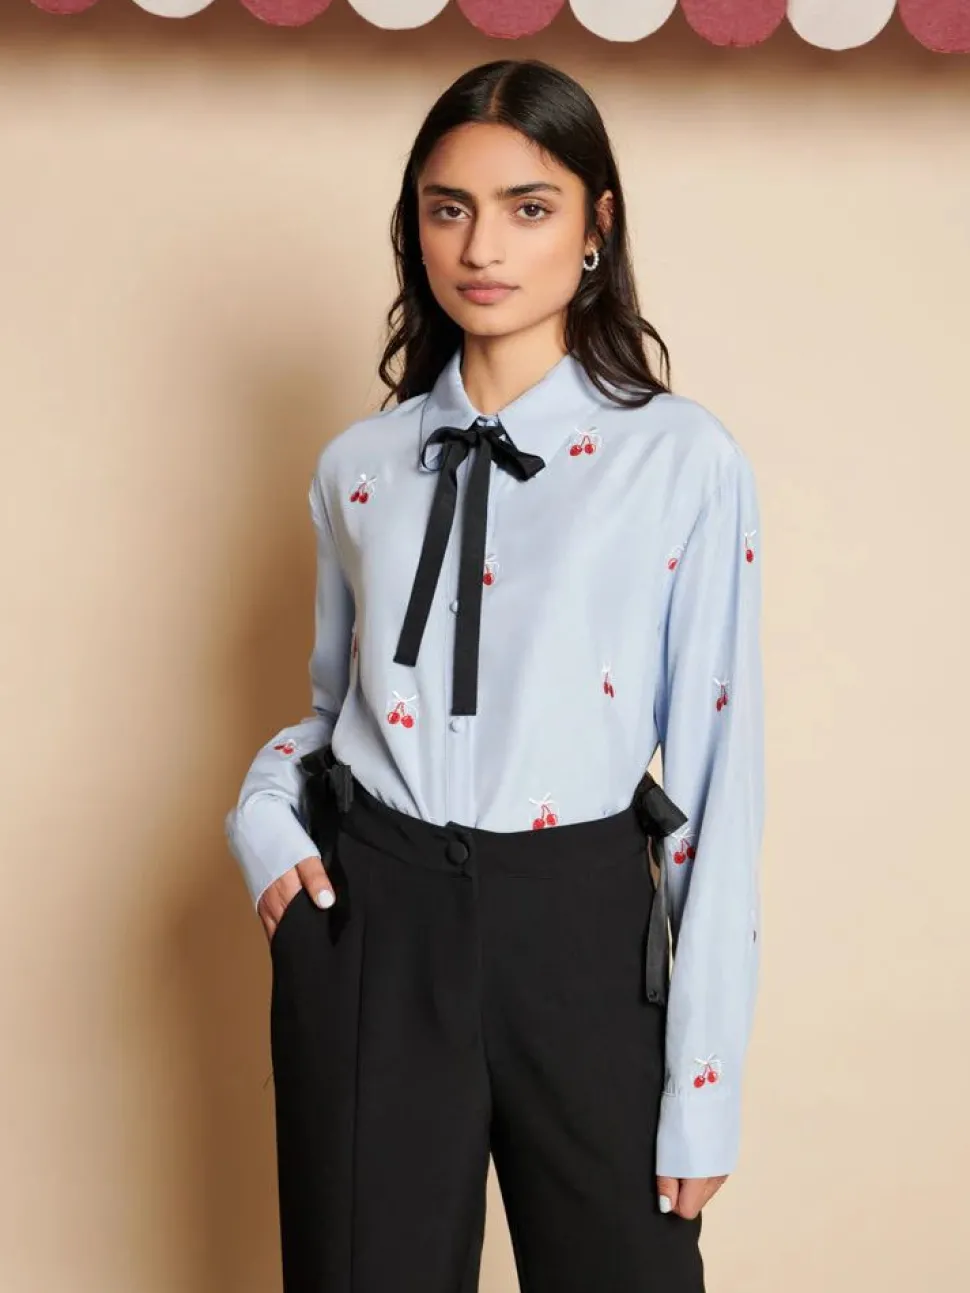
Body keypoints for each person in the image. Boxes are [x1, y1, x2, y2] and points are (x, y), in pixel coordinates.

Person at [225, 57, 764, 1293]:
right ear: (413, 227)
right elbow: (334, 713)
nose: (481, 246)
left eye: (528, 207)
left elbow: (719, 773)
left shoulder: (678, 460)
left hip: (577, 923)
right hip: (373, 920)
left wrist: (706, 1081)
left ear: (595, 225)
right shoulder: (358, 467)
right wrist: (259, 817)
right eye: (447, 208)